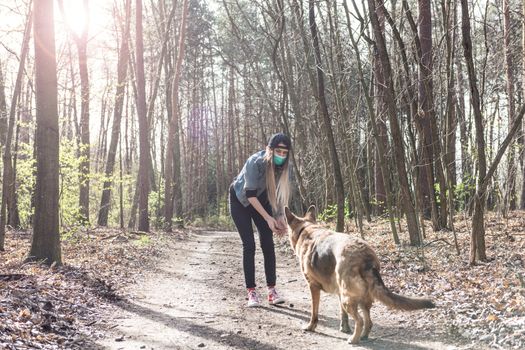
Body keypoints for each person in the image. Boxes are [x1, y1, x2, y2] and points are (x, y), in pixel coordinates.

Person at [229, 132, 292, 307]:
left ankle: (272, 291)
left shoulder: (286, 168)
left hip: (262, 201)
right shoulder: (255, 162)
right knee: (249, 244)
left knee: (267, 242)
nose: (281, 155)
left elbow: (279, 197)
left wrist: (279, 218)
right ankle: (252, 292)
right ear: (269, 150)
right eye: (278, 151)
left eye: (284, 152)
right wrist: (267, 218)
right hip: (241, 201)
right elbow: (250, 195)